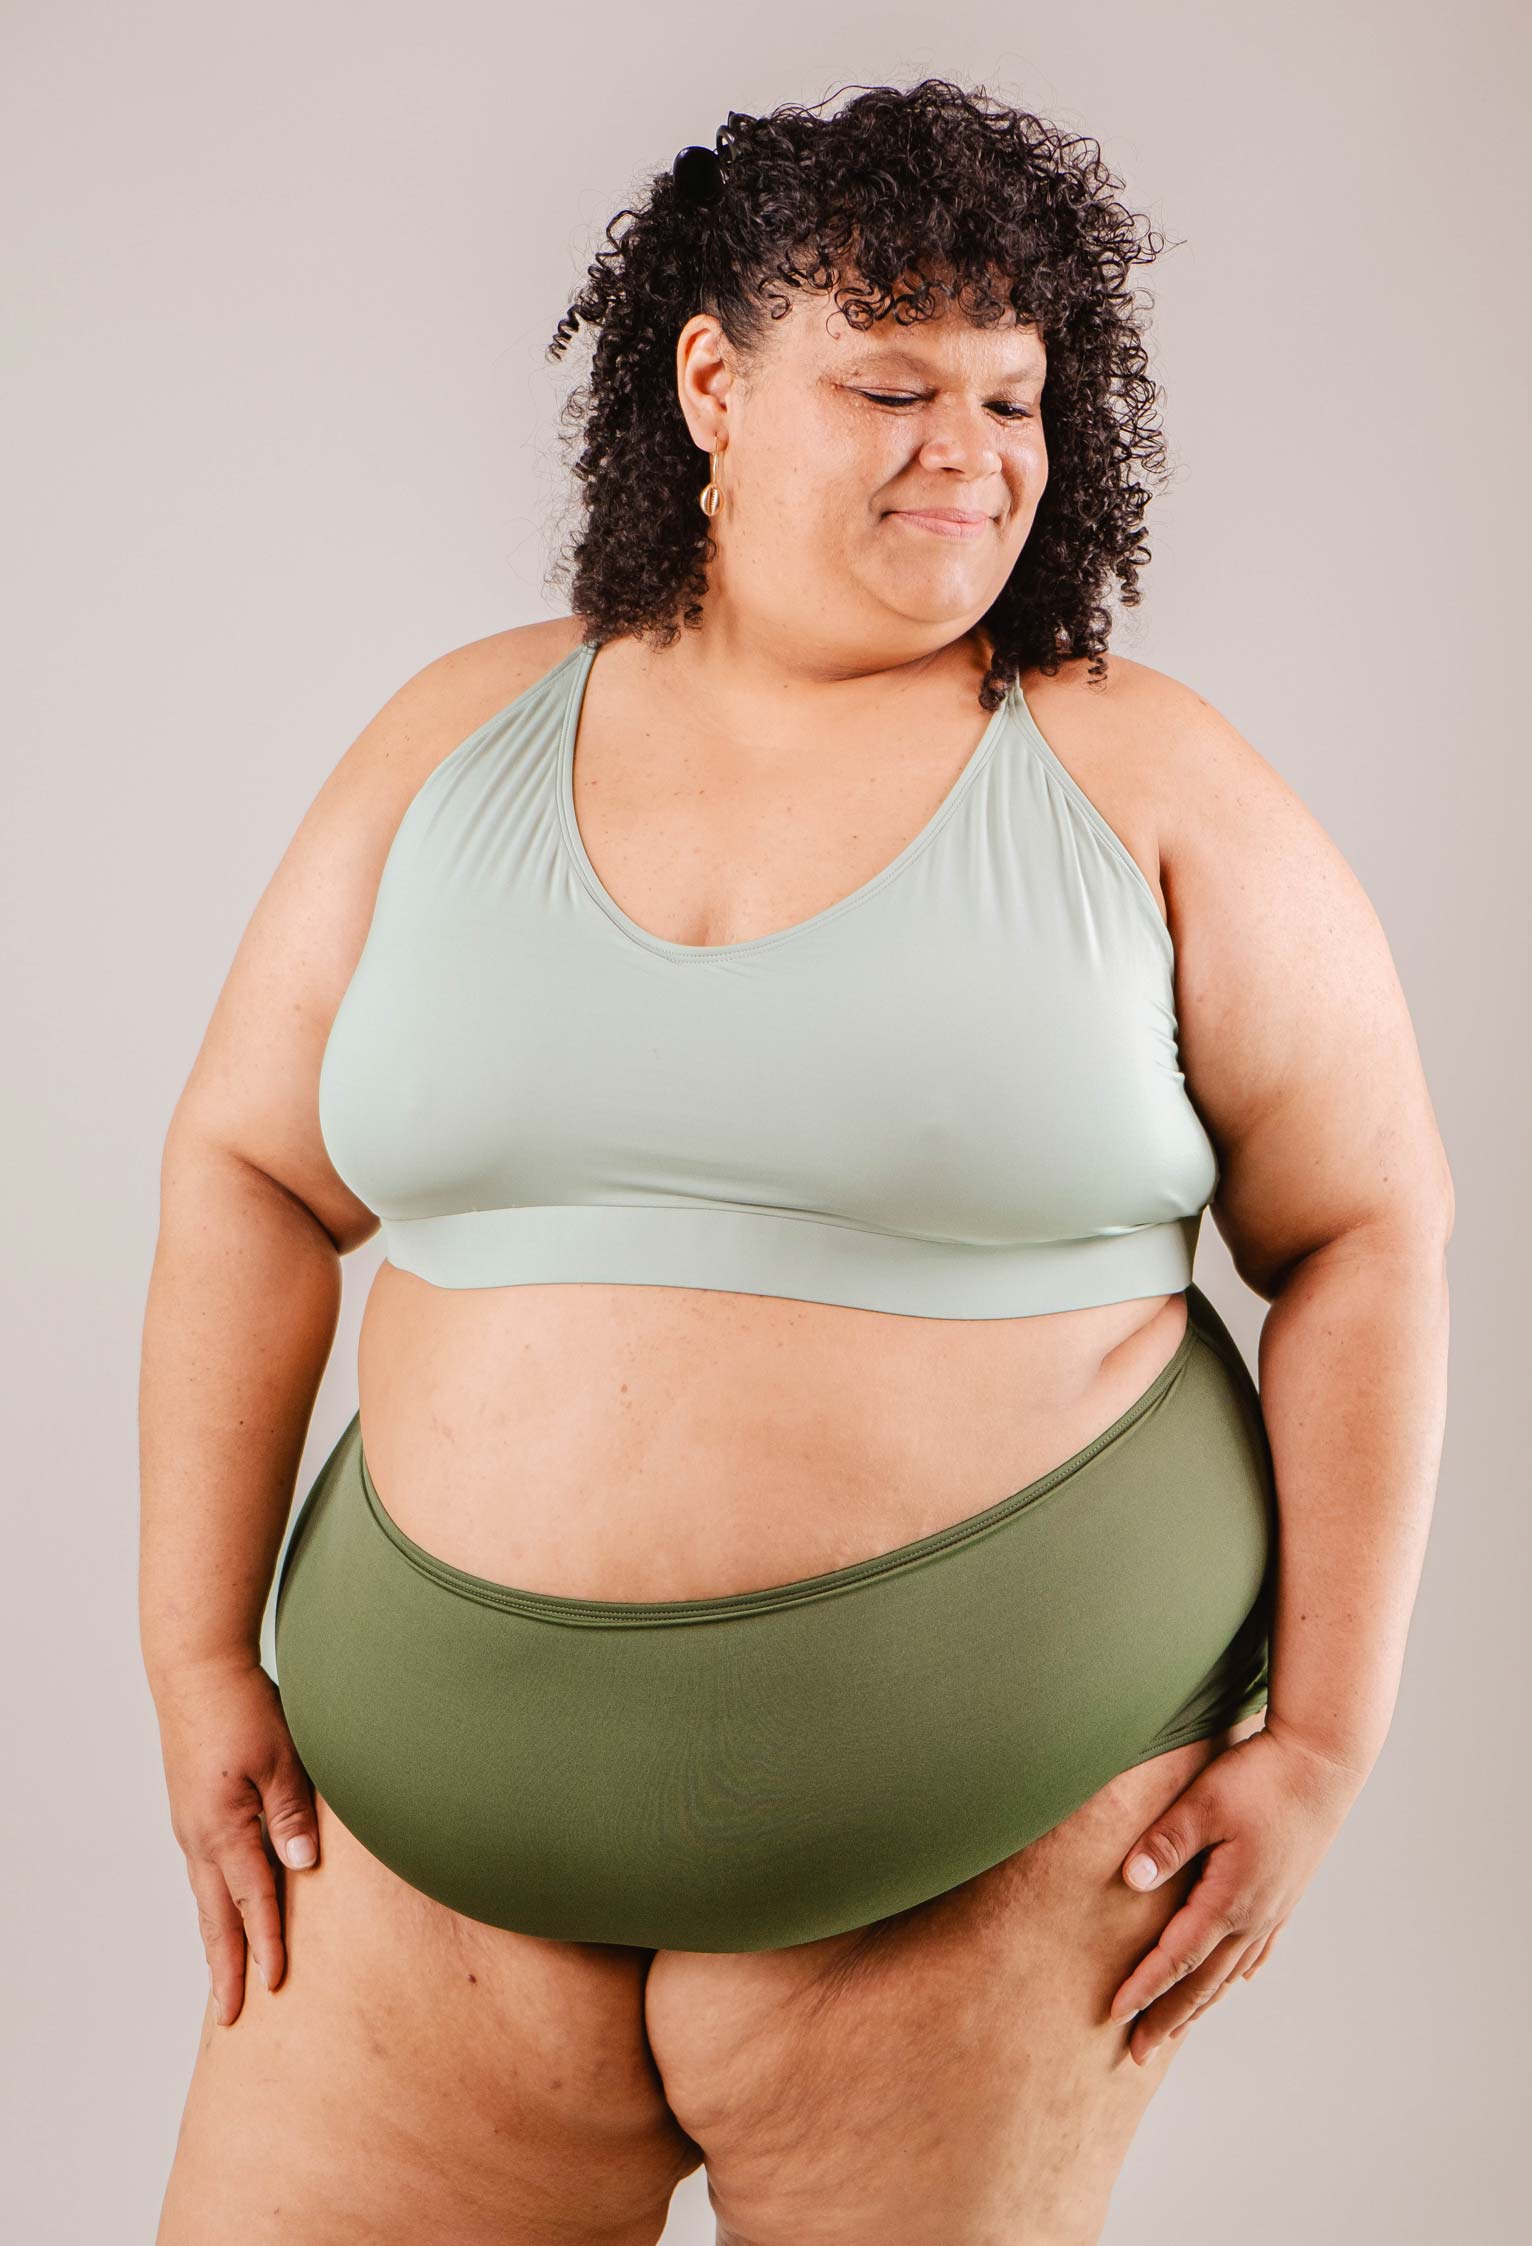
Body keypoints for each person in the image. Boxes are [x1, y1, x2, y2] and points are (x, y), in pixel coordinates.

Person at [141, 78, 1453, 2246]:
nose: (971, 452)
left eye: (1013, 396)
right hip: (403, 1866)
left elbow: (1366, 1229)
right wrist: (199, 1662)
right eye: (891, 383)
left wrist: (1319, 1737)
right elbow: (246, 1173)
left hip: (985, 1852)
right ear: (713, 386)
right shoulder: (448, 739)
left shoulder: (1141, 775)